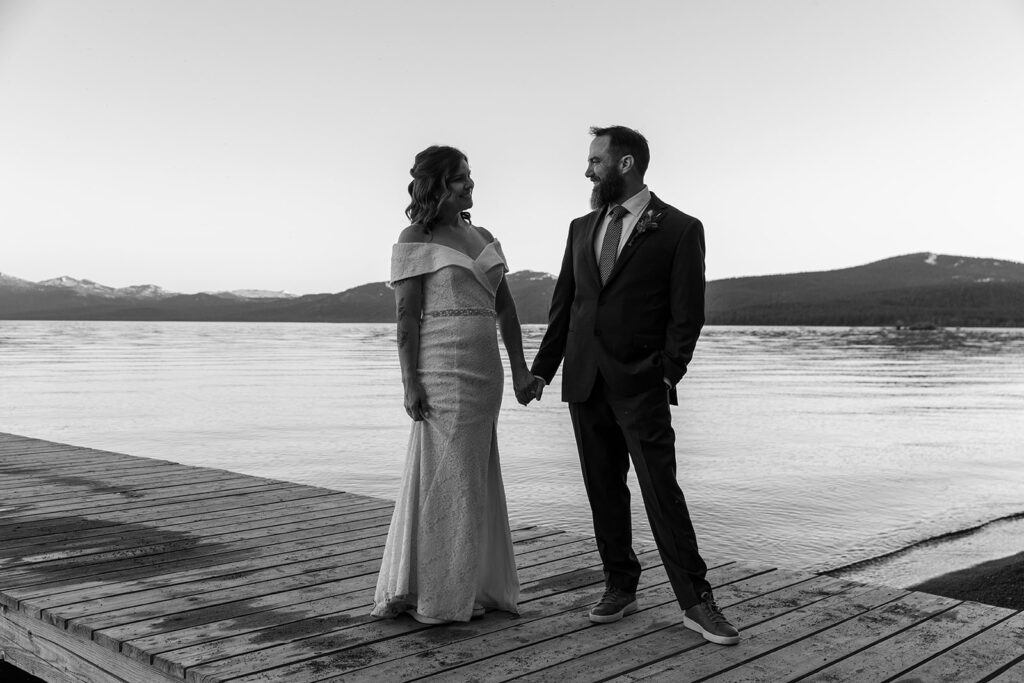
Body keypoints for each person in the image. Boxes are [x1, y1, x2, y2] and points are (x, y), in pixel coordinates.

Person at [528, 125, 740, 645]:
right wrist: (542, 370)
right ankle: (620, 585)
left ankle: (696, 601)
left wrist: (667, 372)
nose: (587, 171)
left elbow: (687, 314)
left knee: (660, 491)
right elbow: (566, 306)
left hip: (640, 382)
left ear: (625, 164)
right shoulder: (581, 227)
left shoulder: (679, 228)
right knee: (603, 491)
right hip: (584, 380)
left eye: (595, 161)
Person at [371, 145, 539, 625]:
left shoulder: (482, 235)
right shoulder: (415, 236)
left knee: (475, 476)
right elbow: (406, 317)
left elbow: (505, 309)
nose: (470, 185)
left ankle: (472, 585)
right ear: (436, 185)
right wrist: (410, 382)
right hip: (441, 368)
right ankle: (436, 593)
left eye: (469, 176)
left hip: (486, 370)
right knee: (448, 476)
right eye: (461, 178)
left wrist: (522, 369)